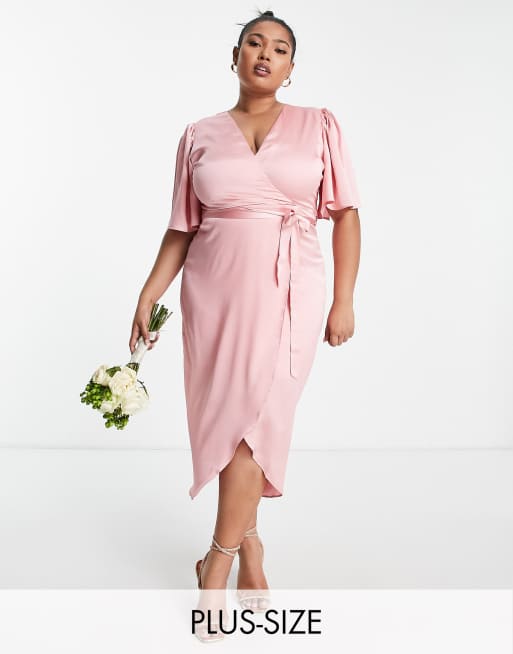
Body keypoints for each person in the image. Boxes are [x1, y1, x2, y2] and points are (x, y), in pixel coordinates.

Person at [129, 9, 361, 642]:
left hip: (292, 292)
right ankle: (250, 543)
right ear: (233, 57)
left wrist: (343, 300)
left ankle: (216, 563)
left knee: (261, 422)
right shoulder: (198, 135)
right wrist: (149, 293)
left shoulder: (319, 125)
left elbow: (345, 214)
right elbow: (182, 226)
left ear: (291, 67)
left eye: (279, 48)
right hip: (214, 293)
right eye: (254, 43)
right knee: (234, 424)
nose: (265, 54)